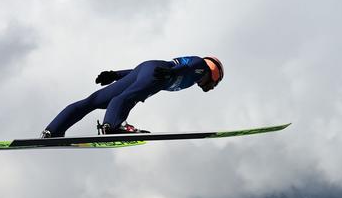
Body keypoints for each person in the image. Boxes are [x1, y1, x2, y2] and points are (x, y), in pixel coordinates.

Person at [41, 56, 223, 137]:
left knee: (93, 101)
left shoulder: (196, 73)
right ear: (215, 73)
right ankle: (113, 126)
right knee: (127, 97)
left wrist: (115, 75)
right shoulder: (202, 67)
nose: (211, 87)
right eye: (215, 83)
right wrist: (171, 72)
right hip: (158, 73)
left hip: (147, 68)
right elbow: (191, 65)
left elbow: (138, 74)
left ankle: (53, 131)